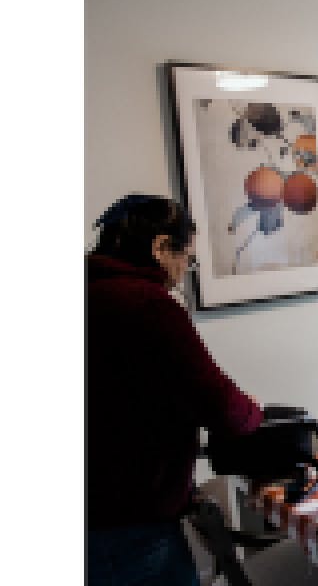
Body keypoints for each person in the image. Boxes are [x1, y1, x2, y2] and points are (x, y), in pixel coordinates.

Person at [87, 194, 263, 586]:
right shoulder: (146, 304)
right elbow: (219, 405)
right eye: (187, 257)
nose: (184, 271)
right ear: (160, 247)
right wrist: (254, 412)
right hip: (131, 523)